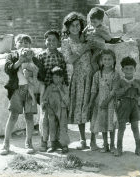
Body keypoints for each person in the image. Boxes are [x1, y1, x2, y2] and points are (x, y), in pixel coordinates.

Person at [0, 34, 45, 155]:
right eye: (20, 42)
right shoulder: (12, 56)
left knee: (29, 117)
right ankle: (6, 143)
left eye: (26, 43)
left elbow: (41, 73)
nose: (23, 45)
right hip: (17, 90)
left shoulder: (34, 58)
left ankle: (28, 142)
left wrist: (33, 69)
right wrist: (19, 61)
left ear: (30, 46)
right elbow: (8, 69)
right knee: (13, 116)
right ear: (15, 45)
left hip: (30, 90)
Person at [61, 12, 94, 150]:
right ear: (67, 27)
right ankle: (82, 139)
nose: (75, 28)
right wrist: (84, 49)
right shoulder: (66, 42)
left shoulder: (86, 38)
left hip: (91, 76)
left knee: (91, 107)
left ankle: (93, 140)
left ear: (81, 25)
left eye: (77, 25)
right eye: (72, 25)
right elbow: (69, 59)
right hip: (77, 78)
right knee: (79, 107)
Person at [37, 30, 68, 152]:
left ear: (58, 41)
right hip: (46, 90)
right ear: (45, 41)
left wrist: (64, 90)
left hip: (59, 92)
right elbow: (38, 75)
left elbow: (64, 74)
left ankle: (58, 142)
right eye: (48, 40)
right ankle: (44, 141)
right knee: (45, 118)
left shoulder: (61, 56)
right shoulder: (41, 56)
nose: (51, 42)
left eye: (54, 40)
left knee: (59, 118)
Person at [114, 56, 140, 157]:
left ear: (135, 69)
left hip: (134, 106)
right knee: (122, 127)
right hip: (123, 105)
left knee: (135, 127)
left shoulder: (138, 81)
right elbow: (116, 93)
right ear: (122, 69)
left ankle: (139, 148)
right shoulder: (120, 81)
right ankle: (119, 148)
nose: (128, 71)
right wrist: (126, 88)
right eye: (126, 68)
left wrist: (138, 88)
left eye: (131, 68)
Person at [89, 49, 119, 153]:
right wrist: (91, 102)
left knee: (111, 123)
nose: (107, 61)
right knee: (103, 123)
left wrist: (106, 101)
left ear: (114, 60)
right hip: (99, 102)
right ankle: (105, 144)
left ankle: (112, 145)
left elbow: (114, 90)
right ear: (101, 61)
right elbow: (94, 89)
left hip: (110, 103)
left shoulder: (115, 74)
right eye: (105, 59)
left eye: (109, 59)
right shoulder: (97, 74)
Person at [41, 66, 70, 154]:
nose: (56, 79)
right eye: (54, 77)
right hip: (51, 110)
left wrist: (59, 90)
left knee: (62, 126)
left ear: (62, 78)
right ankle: (53, 144)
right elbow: (44, 98)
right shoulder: (49, 87)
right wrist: (45, 104)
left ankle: (64, 145)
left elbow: (66, 99)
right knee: (52, 126)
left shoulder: (64, 87)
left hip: (61, 109)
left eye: (58, 77)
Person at [84, 7, 112, 72]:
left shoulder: (103, 28)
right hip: (90, 47)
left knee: (93, 61)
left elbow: (109, 38)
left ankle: (97, 74)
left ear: (101, 21)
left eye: (95, 22)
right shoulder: (89, 26)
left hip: (99, 48)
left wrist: (100, 33)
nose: (92, 23)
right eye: (91, 21)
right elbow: (83, 33)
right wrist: (85, 33)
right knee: (90, 61)